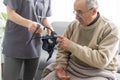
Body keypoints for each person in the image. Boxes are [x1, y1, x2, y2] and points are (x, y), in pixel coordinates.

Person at [41, 0, 120, 80]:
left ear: (93, 11)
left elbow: (101, 61)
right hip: (73, 66)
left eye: (80, 12)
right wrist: (61, 66)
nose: (76, 17)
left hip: (99, 72)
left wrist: (71, 45)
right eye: (75, 12)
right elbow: (62, 50)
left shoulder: (110, 29)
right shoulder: (73, 25)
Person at [2, 0, 53, 80]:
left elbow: (43, 19)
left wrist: (50, 28)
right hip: (15, 44)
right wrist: (29, 23)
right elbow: (11, 13)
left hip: (35, 45)